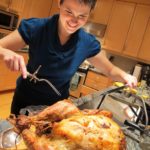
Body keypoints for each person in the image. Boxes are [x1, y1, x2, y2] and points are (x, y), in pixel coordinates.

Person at [0, 0, 137, 115]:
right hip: (24, 101)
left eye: (82, 16)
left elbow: (110, 70)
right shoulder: (36, 28)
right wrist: (5, 52)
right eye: (69, 12)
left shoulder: (87, 43)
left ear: (90, 13)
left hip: (58, 108)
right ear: (59, 3)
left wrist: (125, 76)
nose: (74, 21)